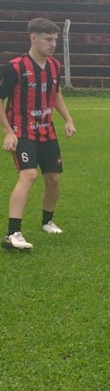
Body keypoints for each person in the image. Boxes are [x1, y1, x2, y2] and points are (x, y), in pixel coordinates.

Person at [0, 18, 76, 251]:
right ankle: (12, 234)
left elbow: (55, 93)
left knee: (53, 178)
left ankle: (47, 221)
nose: (53, 44)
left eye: (55, 40)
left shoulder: (54, 66)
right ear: (33, 38)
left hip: (46, 131)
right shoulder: (14, 67)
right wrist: (8, 132)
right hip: (22, 131)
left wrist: (68, 119)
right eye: (48, 39)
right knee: (29, 174)